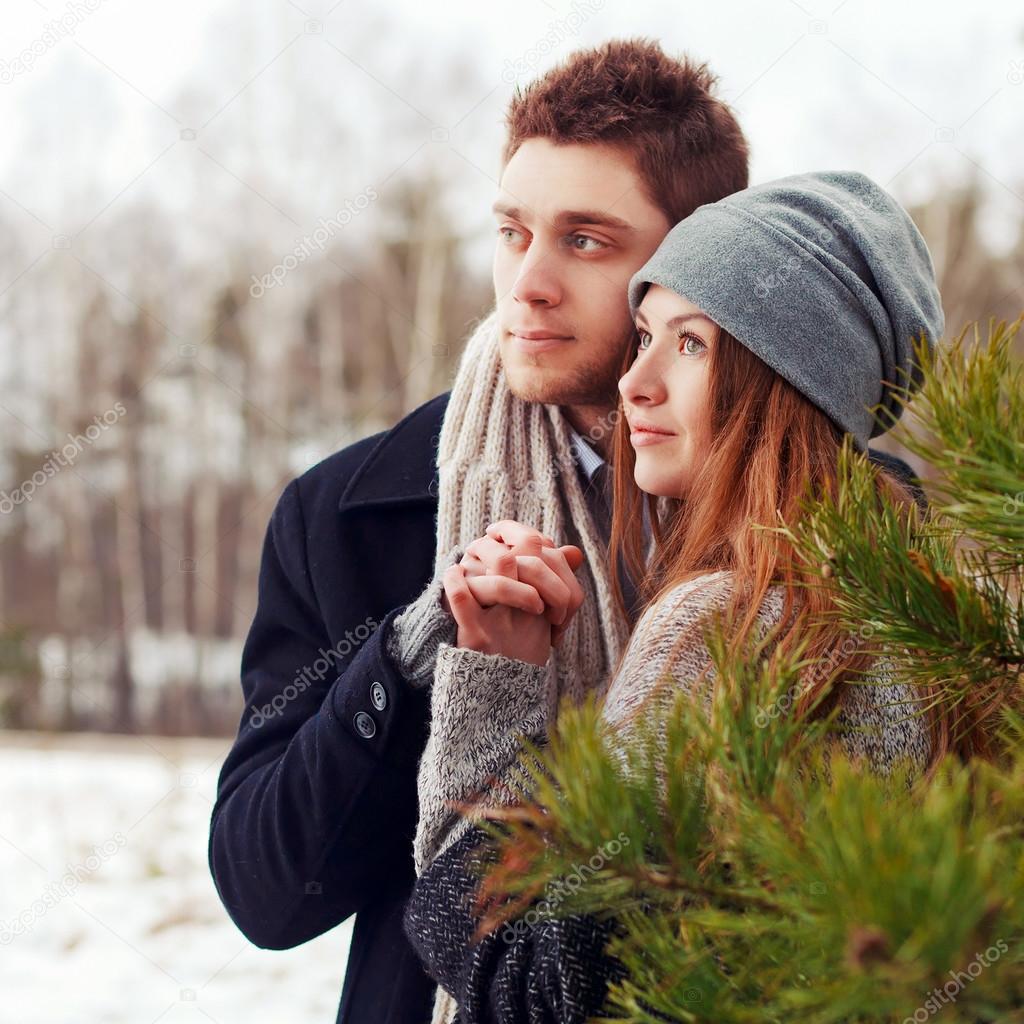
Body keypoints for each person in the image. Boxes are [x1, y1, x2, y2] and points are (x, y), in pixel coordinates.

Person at [208, 39, 915, 1024]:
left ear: (694, 262)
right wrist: (414, 653)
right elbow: (266, 891)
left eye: (584, 240)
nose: (526, 284)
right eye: (511, 232)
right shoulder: (351, 514)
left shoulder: (865, 548)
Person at [401, 171, 959, 1024]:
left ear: (788, 384)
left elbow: (535, 979)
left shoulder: (731, 625)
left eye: (691, 345)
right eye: (646, 336)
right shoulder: (932, 618)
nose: (636, 383)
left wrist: (494, 684)